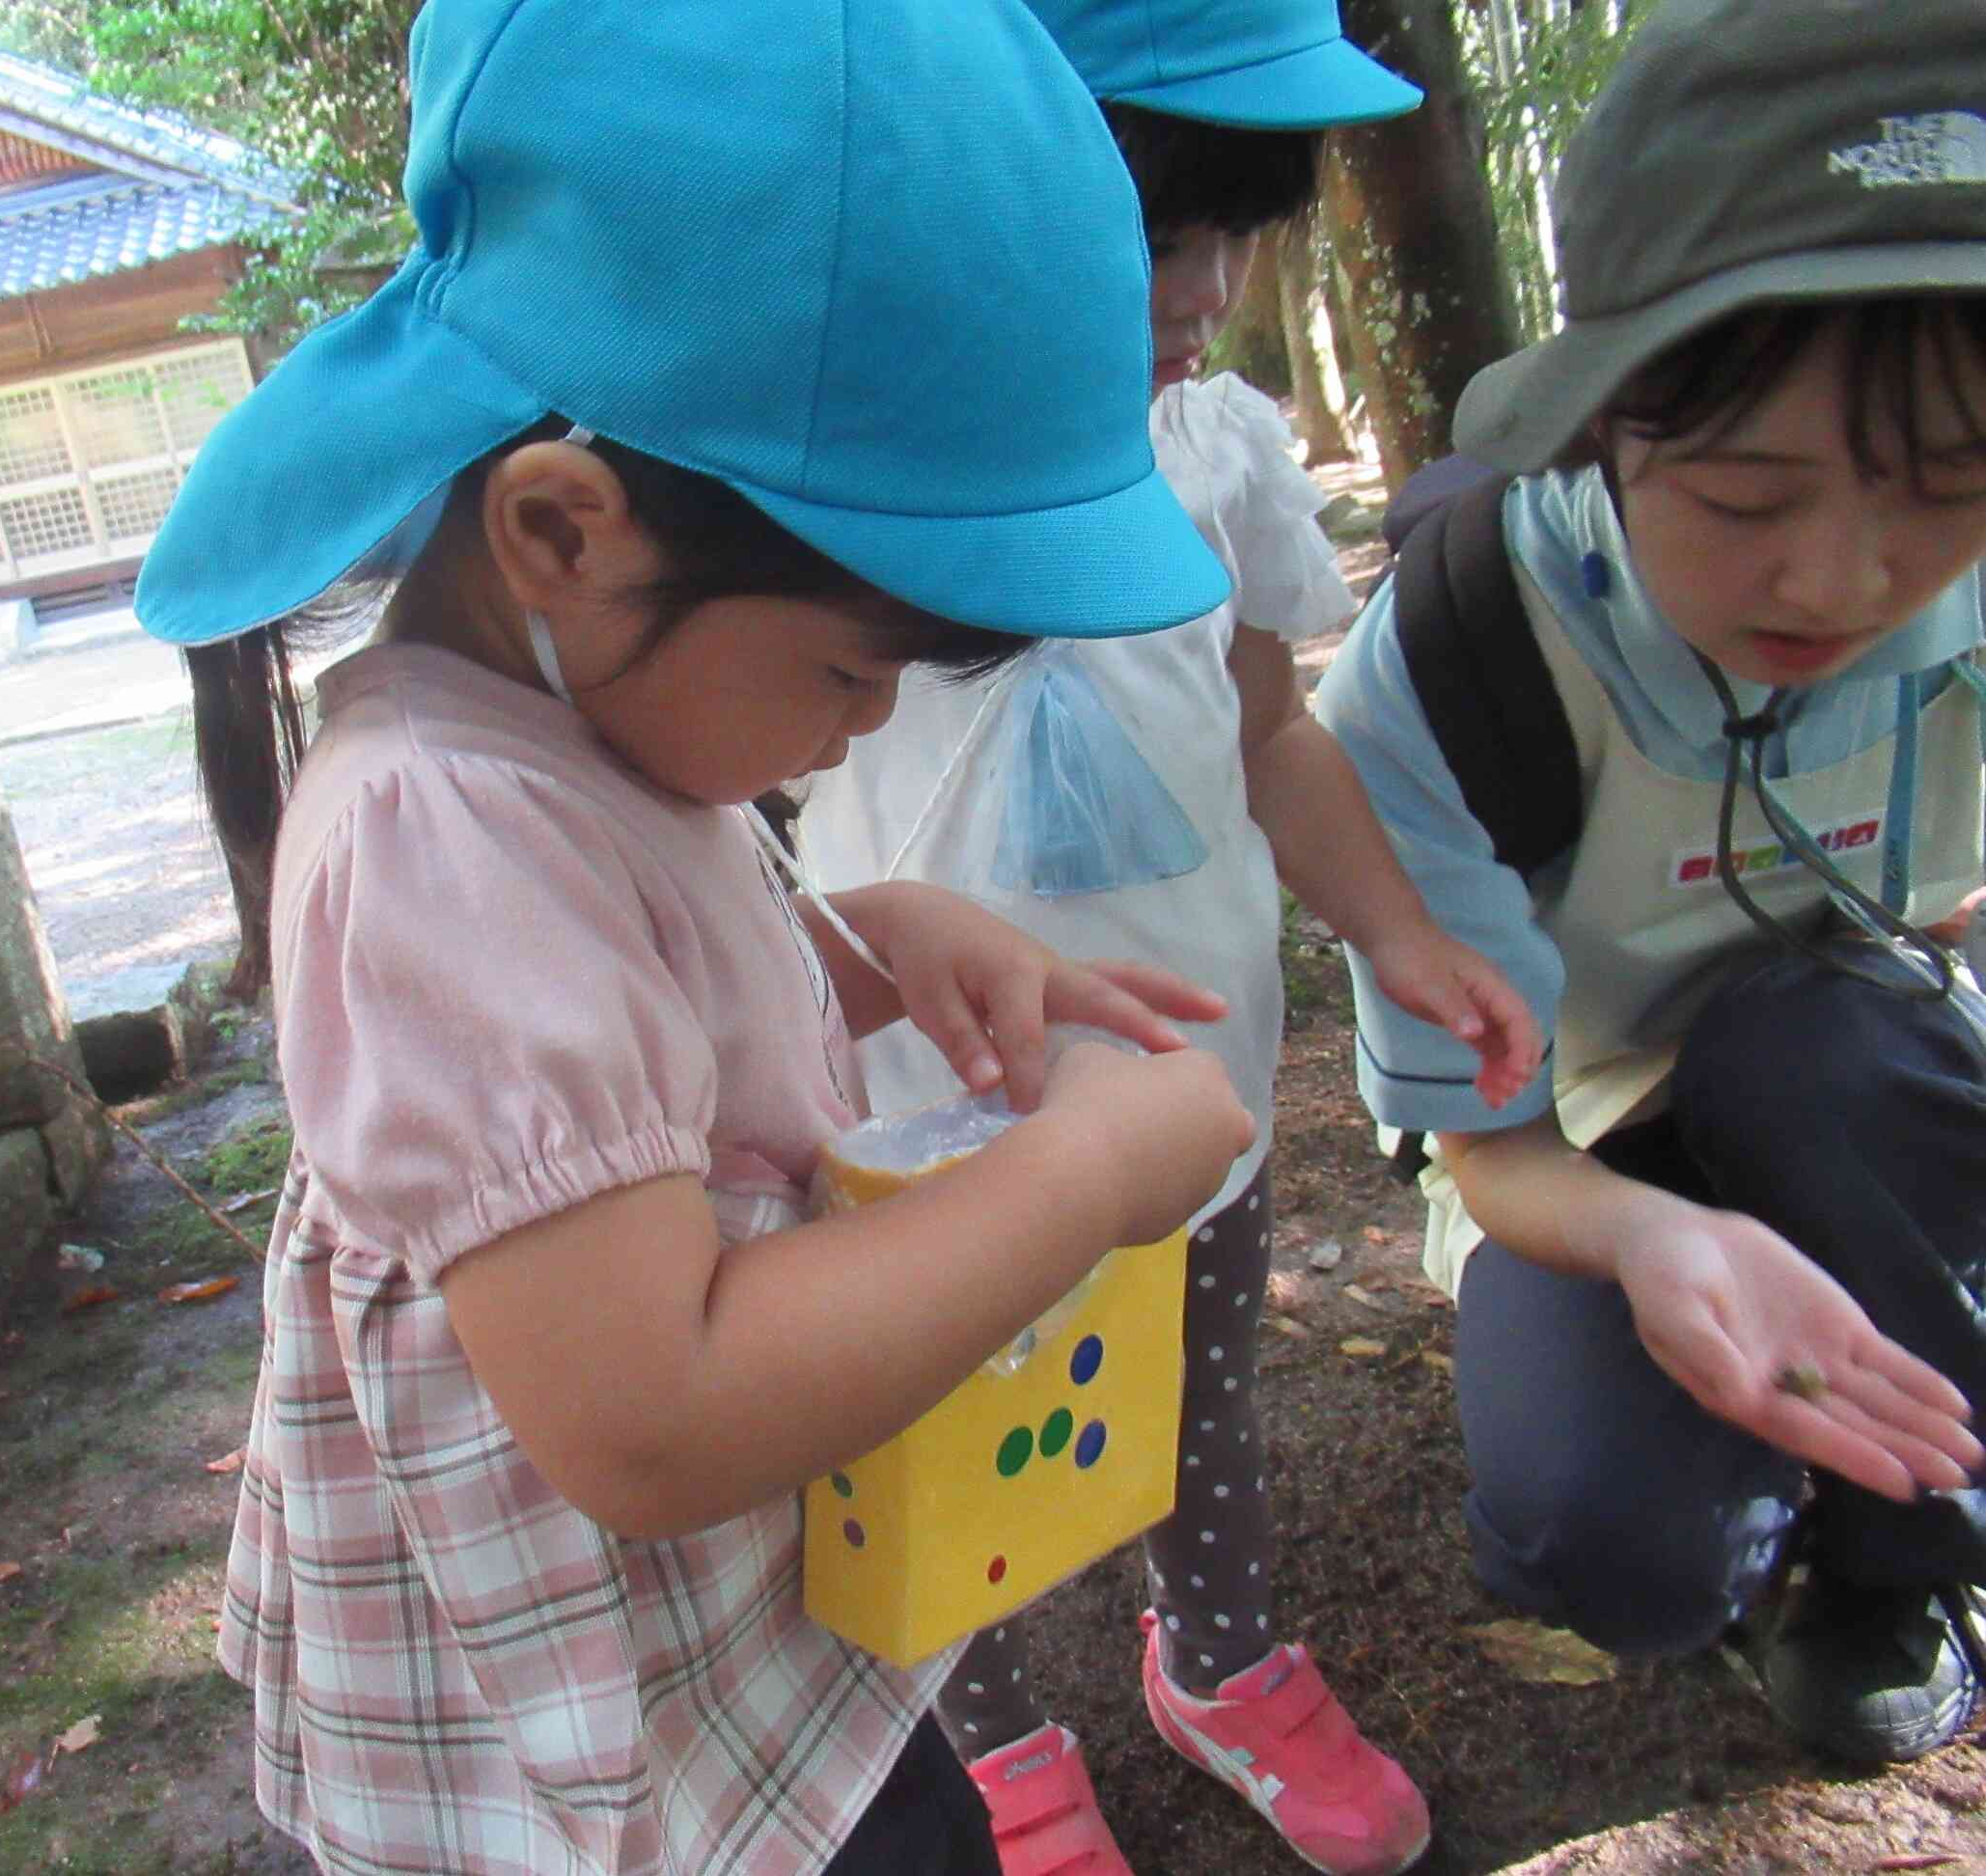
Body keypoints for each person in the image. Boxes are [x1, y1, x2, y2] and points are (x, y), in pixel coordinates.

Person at [132, 2, 1271, 1870]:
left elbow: (643, 995)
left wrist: (880, 940)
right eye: (849, 671)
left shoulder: (580, 717)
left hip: (747, 1656)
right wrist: (1077, 1178)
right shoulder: (437, 833)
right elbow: (656, 1415)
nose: (863, 730)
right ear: (563, 532)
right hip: (622, 1742)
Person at [797, 6, 1539, 1872]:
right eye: (1155, 233)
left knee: (1200, 1390)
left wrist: (1398, 933)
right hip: (925, 1102)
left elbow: (1272, 730)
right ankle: (986, 1738)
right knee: (931, 1429)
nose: (1204, 290)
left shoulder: (1220, 447)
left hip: (1187, 1075)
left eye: (1236, 236)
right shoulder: (849, 473)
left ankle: (1218, 1658)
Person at [1315, 0, 1986, 1776]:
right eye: (1751, 497)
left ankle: (1909, 1564)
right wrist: (1651, 1237)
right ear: (1608, 419)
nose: (1845, 578)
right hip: (1586, 1138)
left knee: (1817, 1055)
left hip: (1861, 1065)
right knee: (1608, 1543)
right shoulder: (1450, 666)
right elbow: (1493, 1144)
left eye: (1949, 491)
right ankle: (1740, 1526)